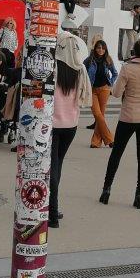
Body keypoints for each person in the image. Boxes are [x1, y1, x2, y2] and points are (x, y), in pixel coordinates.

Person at [99, 37, 140, 209]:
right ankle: (139, 193)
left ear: (134, 51)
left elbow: (117, 93)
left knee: (116, 154)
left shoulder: (127, 68)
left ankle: (106, 189)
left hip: (127, 117)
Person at [50, 30, 92, 228]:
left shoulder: (52, 68)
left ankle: (51, 212)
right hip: (71, 125)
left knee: (52, 167)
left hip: (52, 125)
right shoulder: (79, 69)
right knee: (59, 163)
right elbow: (84, 97)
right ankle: (54, 208)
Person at [85, 39, 118, 147]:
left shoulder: (108, 59)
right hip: (92, 91)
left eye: (103, 48)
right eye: (98, 48)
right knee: (98, 115)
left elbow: (115, 73)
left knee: (101, 115)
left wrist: (110, 84)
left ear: (105, 49)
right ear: (95, 48)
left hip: (104, 89)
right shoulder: (89, 60)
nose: (101, 50)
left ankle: (96, 142)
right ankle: (110, 139)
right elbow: (82, 74)